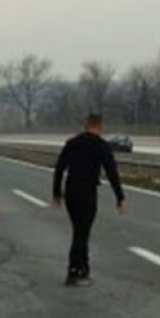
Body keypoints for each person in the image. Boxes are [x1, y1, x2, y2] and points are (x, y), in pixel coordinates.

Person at [52, 113, 127, 286]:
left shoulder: (72, 143)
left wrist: (56, 193)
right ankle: (74, 271)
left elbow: (59, 169)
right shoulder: (102, 146)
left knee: (80, 231)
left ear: (86, 124)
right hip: (87, 194)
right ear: (100, 126)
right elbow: (112, 173)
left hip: (71, 193)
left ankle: (84, 267)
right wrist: (120, 198)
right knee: (81, 232)